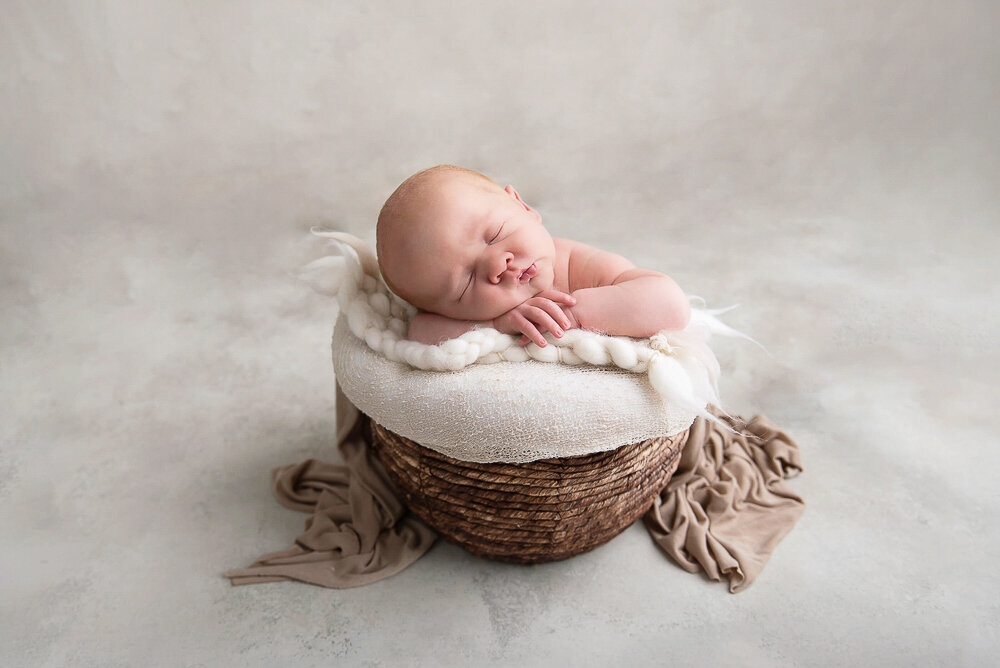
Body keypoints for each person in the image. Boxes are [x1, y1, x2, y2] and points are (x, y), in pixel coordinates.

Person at [375, 165, 691, 347]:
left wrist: (570, 316)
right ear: (445, 308)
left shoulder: (581, 266)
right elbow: (419, 334)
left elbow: (670, 304)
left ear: (523, 207)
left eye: (495, 234)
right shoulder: (484, 317)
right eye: (466, 282)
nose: (498, 265)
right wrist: (497, 325)